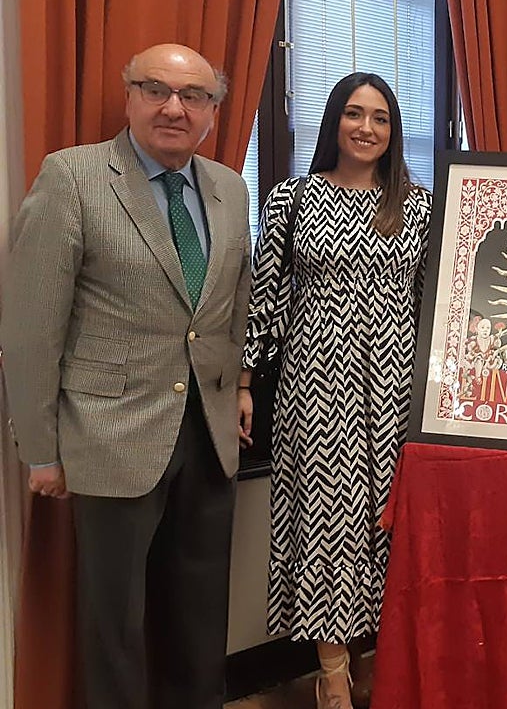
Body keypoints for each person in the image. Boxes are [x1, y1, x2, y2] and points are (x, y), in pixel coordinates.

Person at [1, 43, 251, 709]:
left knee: (199, 620)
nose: (174, 107)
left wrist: (243, 386)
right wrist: (42, 449)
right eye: (156, 89)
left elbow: (232, 305)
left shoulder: (229, 186)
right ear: (129, 97)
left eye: (193, 95)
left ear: (213, 113)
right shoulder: (74, 177)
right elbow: (30, 327)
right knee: (114, 626)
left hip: (209, 437)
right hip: (109, 438)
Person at [240, 72, 432, 709]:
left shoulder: (420, 204)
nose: (367, 128)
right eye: (355, 114)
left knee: (388, 526)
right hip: (317, 386)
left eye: (380, 118)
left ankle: (383, 656)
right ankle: (332, 673)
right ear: (334, 123)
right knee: (327, 526)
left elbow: (441, 303)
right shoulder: (291, 201)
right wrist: (244, 381)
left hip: (398, 386)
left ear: (393, 131)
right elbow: (264, 299)